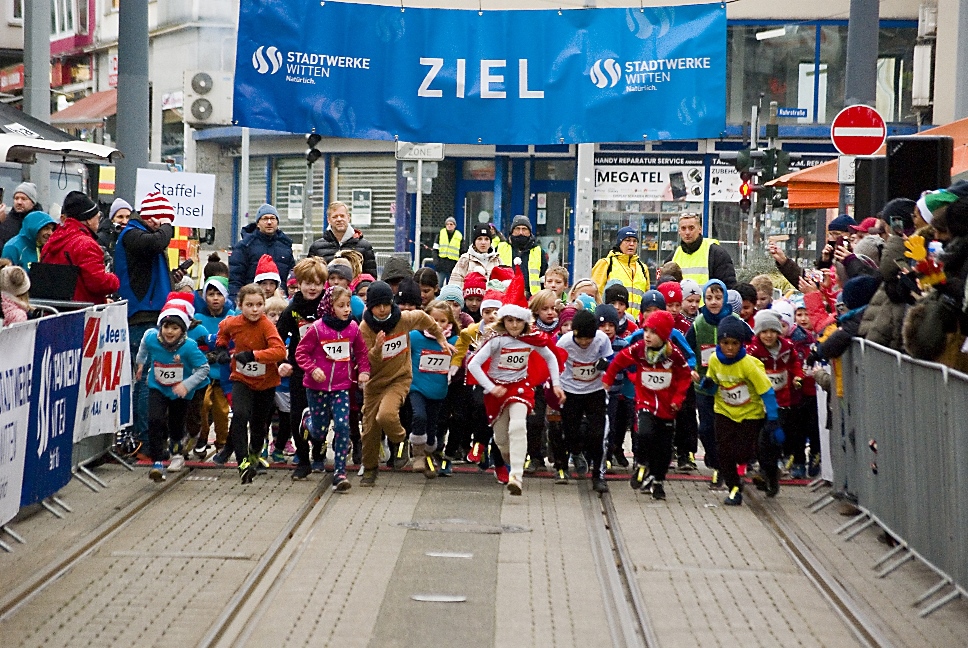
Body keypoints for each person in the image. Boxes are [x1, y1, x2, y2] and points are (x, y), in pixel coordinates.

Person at [467, 263, 564, 495]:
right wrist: (490, 387)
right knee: (502, 441)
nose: (513, 325)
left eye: (517, 321)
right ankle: (510, 461)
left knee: (519, 426)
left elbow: (551, 358)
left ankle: (516, 477)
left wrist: (557, 385)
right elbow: (474, 364)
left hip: (521, 388)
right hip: (497, 391)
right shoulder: (497, 340)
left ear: (525, 321)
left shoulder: (533, 339)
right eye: (509, 321)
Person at [358, 281, 452, 486]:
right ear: (370, 307)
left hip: (399, 378)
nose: (382, 310)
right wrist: (377, 349)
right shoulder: (365, 328)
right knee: (370, 429)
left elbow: (425, 319)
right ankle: (370, 469)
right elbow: (366, 361)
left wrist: (440, 338)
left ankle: (401, 438)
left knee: (387, 415)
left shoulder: (403, 319)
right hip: (375, 383)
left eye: (386, 304)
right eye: (377, 305)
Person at [114, 191, 181, 443]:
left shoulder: (137, 234)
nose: (164, 227)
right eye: (161, 219)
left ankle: (142, 435)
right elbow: (156, 243)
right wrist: (167, 224)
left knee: (147, 378)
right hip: (141, 316)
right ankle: (144, 437)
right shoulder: (132, 234)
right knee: (146, 379)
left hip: (149, 313)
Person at [603, 310, 691, 500]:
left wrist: (678, 399)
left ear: (665, 335)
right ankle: (642, 463)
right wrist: (609, 378)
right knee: (644, 433)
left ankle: (657, 480)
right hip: (646, 402)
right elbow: (619, 361)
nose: (648, 336)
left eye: (653, 332)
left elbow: (684, 376)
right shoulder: (639, 349)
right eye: (646, 331)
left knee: (664, 448)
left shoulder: (673, 354)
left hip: (668, 407)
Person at [701, 317, 783, 505]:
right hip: (724, 412)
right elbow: (713, 385)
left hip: (749, 414)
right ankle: (734, 488)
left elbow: (767, 391)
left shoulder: (748, 365)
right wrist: (708, 384)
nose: (729, 348)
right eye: (725, 343)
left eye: (734, 343)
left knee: (744, 454)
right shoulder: (714, 360)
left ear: (741, 343)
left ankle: (770, 475)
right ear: (719, 343)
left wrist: (773, 420)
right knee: (724, 452)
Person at [295, 285, 370, 488]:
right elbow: (301, 353)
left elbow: (362, 352)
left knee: (342, 426)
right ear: (330, 307)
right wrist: (312, 369)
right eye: (341, 306)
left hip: (341, 386)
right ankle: (307, 420)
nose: (346, 310)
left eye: (348, 306)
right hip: (316, 387)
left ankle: (340, 473)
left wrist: (364, 371)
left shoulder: (353, 328)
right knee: (319, 432)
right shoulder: (317, 329)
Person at [213, 284, 288, 483]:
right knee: (239, 415)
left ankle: (255, 454)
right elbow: (223, 331)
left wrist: (254, 355)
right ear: (240, 305)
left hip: (266, 383)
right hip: (241, 378)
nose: (255, 310)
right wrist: (221, 348)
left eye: (259, 305)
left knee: (258, 425)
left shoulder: (266, 325)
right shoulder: (234, 322)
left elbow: (280, 351)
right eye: (249, 305)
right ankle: (243, 462)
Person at [136, 300, 210, 482]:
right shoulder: (152, 337)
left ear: (183, 330)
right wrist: (140, 364)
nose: (169, 332)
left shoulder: (189, 346)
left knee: (176, 425)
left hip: (180, 391)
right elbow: (144, 345)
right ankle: (157, 461)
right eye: (166, 327)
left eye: (175, 328)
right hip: (158, 386)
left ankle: (176, 453)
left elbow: (204, 368)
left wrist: (187, 385)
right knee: (154, 420)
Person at [275, 257, 328, 473]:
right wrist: (281, 362)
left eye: (316, 283)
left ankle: (319, 452)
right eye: (307, 283)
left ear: (324, 284)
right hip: (300, 369)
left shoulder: (329, 307)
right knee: (298, 415)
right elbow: (277, 338)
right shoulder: (292, 310)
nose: (312, 287)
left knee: (320, 415)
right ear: (299, 284)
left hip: (326, 370)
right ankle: (303, 458)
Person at [557, 309, 613, 493]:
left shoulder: (601, 339)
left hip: (594, 391)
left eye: (587, 339)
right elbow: (555, 363)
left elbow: (610, 358)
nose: (583, 343)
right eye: (580, 338)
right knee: (570, 431)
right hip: (570, 391)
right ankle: (576, 451)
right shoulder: (565, 342)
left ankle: (599, 474)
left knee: (597, 435)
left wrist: (605, 363)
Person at [407, 300, 460, 478]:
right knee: (419, 416)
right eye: (433, 320)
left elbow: (462, 360)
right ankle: (418, 455)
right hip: (417, 387)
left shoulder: (453, 340)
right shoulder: (415, 336)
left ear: (450, 322)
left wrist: (458, 356)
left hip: (438, 391)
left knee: (433, 427)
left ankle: (429, 456)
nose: (437, 325)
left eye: (442, 321)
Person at [40, 191, 120, 304]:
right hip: (81, 314)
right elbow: (98, 283)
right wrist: (114, 279)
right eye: (97, 218)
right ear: (88, 219)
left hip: (53, 312)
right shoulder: (86, 244)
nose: (99, 222)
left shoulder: (51, 241)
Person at [196, 275, 235, 458]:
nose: (215, 298)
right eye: (211, 294)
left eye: (219, 294)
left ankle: (222, 443)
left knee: (221, 410)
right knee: (202, 405)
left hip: (223, 372)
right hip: (203, 373)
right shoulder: (198, 318)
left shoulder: (231, 317)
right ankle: (201, 437)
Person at [229, 203, 296, 301]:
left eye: (273, 218)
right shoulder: (245, 246)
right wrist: (236, 302)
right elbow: (235, 279)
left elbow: (291, 277)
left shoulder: (285, 246)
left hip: (280, 303)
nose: (269, 222)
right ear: (258, 223)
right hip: (252, 302)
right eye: (265, 219)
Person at [591, 226, 651, 320]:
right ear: (619, 243)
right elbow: (594, 293)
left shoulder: (643, 268)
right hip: (610, 321)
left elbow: (646, 297)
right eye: (627, 240)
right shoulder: (606, 264)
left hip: (636, 322)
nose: (631, 244)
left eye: (634, 241)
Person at [308, 201, 378, 276]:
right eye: (335, 217)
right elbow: (309, 275)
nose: (339, 219)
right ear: (328, 220)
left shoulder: (365, 246)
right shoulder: (316, 247)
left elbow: (370, 278)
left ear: (348, 217)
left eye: (342, 216)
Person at [667, 213, 737, 289]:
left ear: (700, 229)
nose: (687, 232)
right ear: (679, 231)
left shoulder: (717, 254)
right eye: (683, 228)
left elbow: (729, 286)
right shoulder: (673, 256)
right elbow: (660, 281)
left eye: (691, 228)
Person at [495, 215, 548, 299]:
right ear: (512, 231)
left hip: (532, 300)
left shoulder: (538, 251)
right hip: (504, 297)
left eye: (524, 229)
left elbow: (544, 276)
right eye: (517, 229)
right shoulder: (500, 248)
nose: (520, 232)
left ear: (530, 232)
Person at [449, 224, 501, 289]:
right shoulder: (465, 259)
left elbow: (504, 287)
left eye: (486, 239)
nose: (483, 242)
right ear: (474, 242)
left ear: (490, 242)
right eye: (479, 239)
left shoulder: (497, 260)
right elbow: (454, 287)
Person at [0, 182, 43, 247]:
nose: (19, 202)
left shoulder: (41, 223)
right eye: (16, 198)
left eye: (23, 199)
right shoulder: (5, 222)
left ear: (33, 202)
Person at [433, 216, 464, 285]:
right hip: (441, 265)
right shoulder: (440, 234)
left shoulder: (459, 236)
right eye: (447, 224)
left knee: (451, 286)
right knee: (438, 286)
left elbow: (462, 251)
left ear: (455, 226)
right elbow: (435, 249)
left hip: (453, 266)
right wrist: (436, 262)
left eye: (451, 224)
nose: (449, 226)